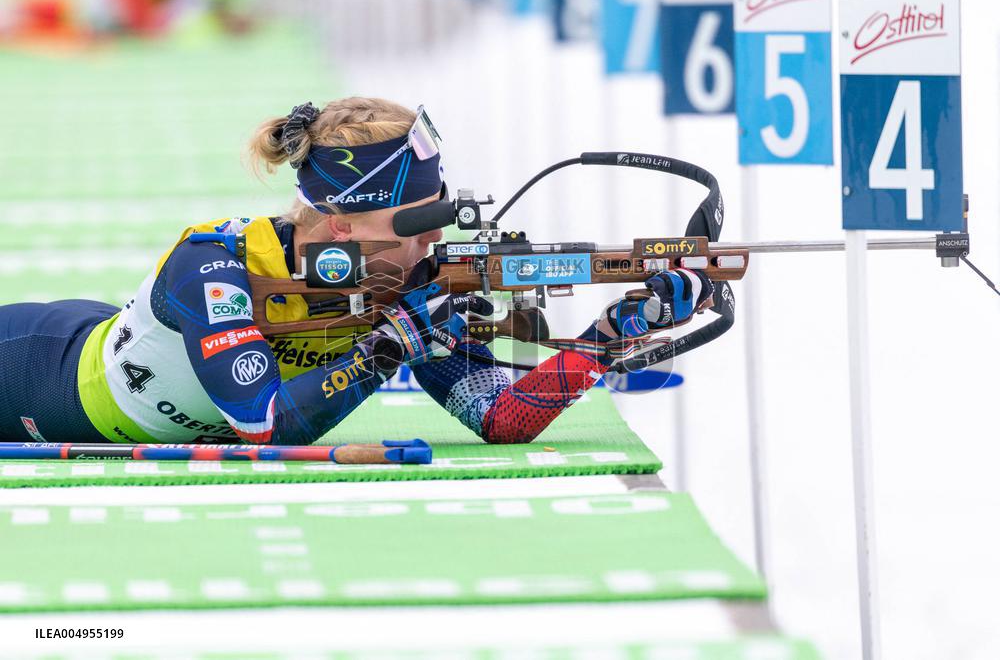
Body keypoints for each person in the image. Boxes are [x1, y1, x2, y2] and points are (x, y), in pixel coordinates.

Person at [0, 97, 711, 445]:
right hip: (32, 368)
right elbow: (264, 429)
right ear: (342, 223)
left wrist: (611, 336)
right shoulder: (213, 266)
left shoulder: (402, 290)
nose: (434, 237)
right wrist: (388, 350)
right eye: (417, 222)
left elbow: (503, 416)